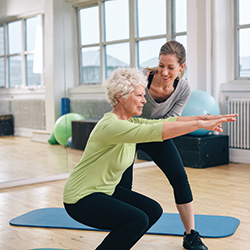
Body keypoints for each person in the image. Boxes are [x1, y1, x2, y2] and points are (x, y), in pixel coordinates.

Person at [63, 67, 237, 250]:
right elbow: (158, 131)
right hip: (81, 198)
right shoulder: (111, 126)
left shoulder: (130, 121)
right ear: (120, 96)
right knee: (136, 220)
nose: (144, 101)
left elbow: (166, 123)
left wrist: (207, 118)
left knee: (152, 211)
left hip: (104, 191)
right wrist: (200, 124)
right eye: (139, 95)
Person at [116, 40, 222, 250]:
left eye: (171, 67)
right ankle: (122, 228)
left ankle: (190, 235)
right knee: (123, 186)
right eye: (161, 65)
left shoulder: (183, 89)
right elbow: (120, 108)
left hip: (156, 133)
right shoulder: (142, 78)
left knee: (180, 178)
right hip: (130, 132)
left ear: (181, 67)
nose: (164, 72)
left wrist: (199, 122)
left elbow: (171, 121)